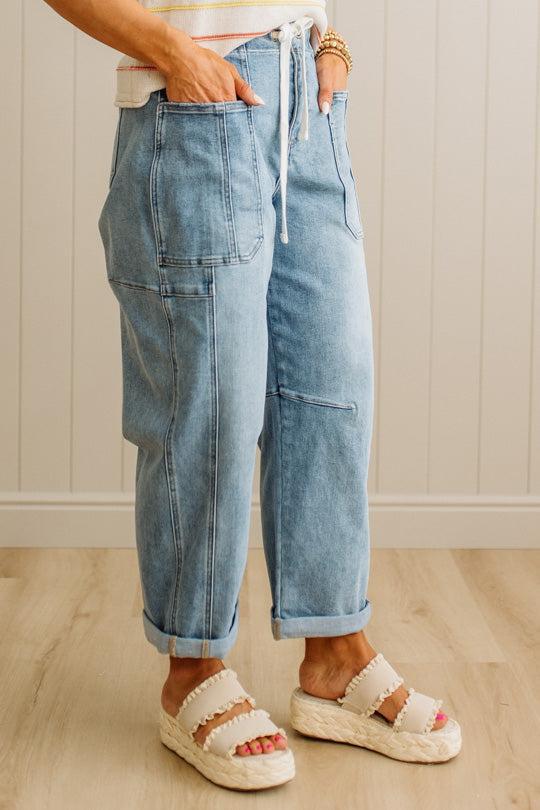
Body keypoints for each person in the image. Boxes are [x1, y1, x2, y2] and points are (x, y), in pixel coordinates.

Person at [46, 0, 462, 791]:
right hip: (195, 108)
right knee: (208, 405)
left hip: (307, 103)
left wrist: (327, 39)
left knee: (331, 386)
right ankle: (192, 668)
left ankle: (336, 653)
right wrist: (173, 51)